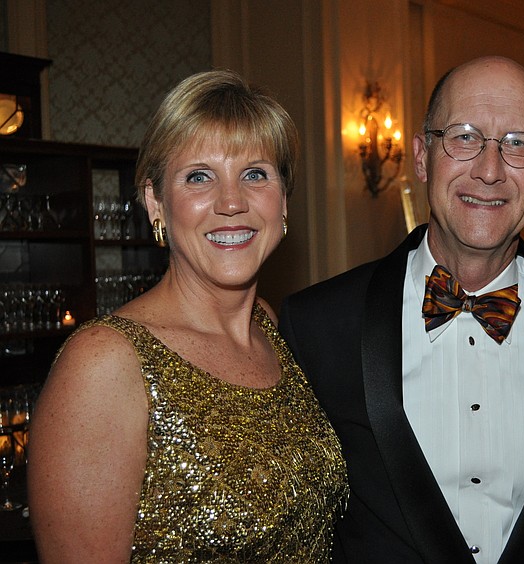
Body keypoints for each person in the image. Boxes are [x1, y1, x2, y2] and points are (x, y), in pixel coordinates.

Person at [279, 56, 524, 563]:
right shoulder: (316, 325)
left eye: (517, 144)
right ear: (422, 156)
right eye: (464, 137)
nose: (489, 170)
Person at [27, 70, 348, 562]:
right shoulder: (104, 363)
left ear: (284, 198)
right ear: (155, 202)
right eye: (199, 176)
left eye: (255, 174)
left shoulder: (269, 326)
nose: (232, 202)